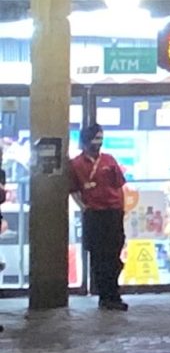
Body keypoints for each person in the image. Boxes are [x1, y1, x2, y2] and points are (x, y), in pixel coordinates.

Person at [67, 122, 129, 309]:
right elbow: (73, 190)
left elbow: (119, 187)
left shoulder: (109, 160)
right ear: (85, 141)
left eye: (101, 138)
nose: (98, 142)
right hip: (94, 214)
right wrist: (84, 207)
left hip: (113, 213)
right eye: (95, 138)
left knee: (114, 256)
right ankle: (105, 296)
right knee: (98, 257)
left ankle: (113, 293)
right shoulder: (76, 164)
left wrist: (121, 209)